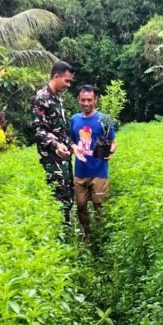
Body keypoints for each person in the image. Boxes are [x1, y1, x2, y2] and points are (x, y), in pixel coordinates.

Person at [69, 85, 116, 243]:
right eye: (83, 100)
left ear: (96, 100)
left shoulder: (105, 119)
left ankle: (102, 237)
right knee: (81, 206)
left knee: (100, 206)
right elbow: (71, 141)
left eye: (90, 100)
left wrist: (111, 150)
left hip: (99, 171)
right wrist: (73, 147)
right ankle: (87, 235)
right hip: (80, 171)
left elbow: (113, 142)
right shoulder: (74, 119)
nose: (86, 103)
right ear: (78, 100)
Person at [31, 60, 75, 229]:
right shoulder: (41, 98)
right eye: (67, 80)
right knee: (59, 198)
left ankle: (66, 232)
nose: (69, 85)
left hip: (63, 157)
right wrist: (56, 145)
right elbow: (38, 130)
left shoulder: (58, 99)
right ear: (56, 76)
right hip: (51, 158)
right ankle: (59, 238)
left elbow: (61, 130)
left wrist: (71, 145)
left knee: (67, 195)